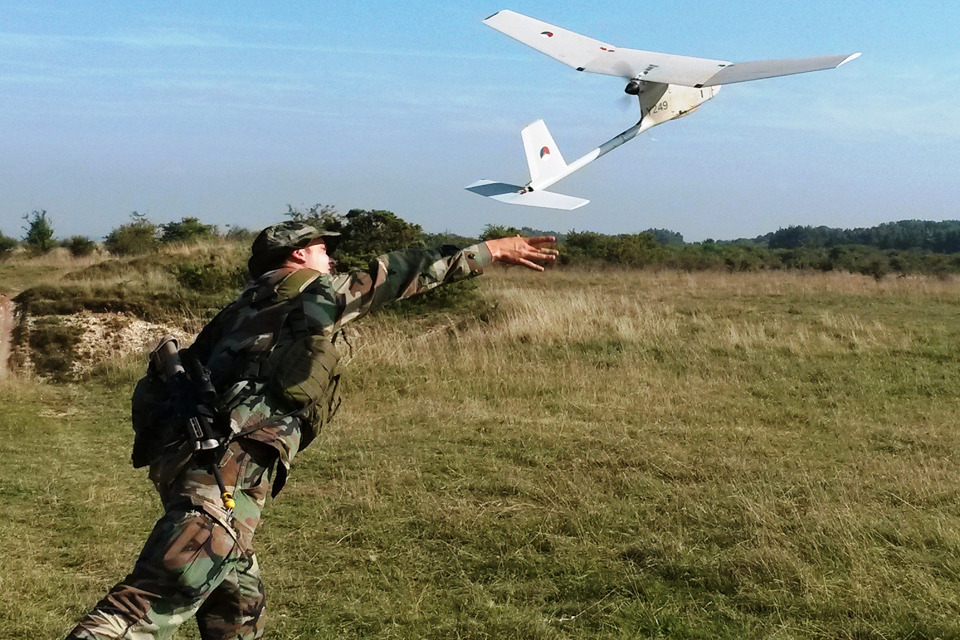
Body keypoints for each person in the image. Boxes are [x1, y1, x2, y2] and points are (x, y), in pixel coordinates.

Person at [66, 221, 557, 639]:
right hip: (226, 471)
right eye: (324, 249)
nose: (330, 259)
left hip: (194, 463)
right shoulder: (307, 293)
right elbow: (392, 276)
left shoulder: (240, 310)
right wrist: (490, 250)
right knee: (152, 602)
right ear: (299, 253)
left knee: (239, 604)